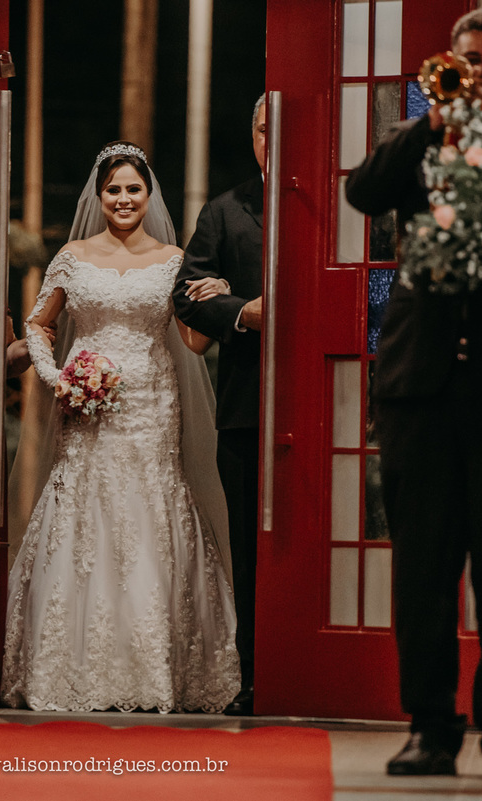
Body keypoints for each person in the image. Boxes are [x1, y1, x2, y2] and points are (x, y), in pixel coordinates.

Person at [345, 8, 482, 776]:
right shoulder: (425, 136)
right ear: (452, 64)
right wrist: (432, 122)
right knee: (424, 568)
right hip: (420, 385)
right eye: (472, 60)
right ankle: (431, 726)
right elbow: (363, 192)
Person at [1, 142, 240, 712]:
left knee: (151, 508)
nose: (124, 198)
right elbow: (39, 324)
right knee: (86, 507)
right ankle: (73, 664)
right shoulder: (72, 256)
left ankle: (158, 666)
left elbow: (193, 340)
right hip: (85, 405)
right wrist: (57, 376)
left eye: (134, 189)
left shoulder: (174, 259)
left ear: (149, 194)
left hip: (154, 403)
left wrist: (219, 297)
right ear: (100, 195)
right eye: (114, 190)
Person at [172, 96, 266, 716]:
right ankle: (257, 675)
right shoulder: (226, 210)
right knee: (251, 546)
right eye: (262, 128)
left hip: (333, 409)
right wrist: (239, 311)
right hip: (246, 406)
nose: (270, 138)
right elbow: (186, 297)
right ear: (251, 134)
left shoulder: (342, 203)